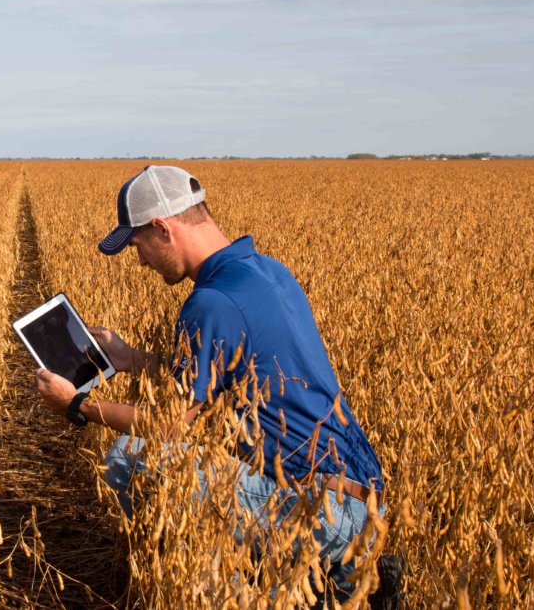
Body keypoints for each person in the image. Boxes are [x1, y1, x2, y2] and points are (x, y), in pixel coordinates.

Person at [35, 165, 389, 601]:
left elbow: (168, 425)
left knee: (129, 458)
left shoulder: (210, 302)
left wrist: (77, 404)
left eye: (138, 245)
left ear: (163, 228)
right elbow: (230, 374)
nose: (140, 261)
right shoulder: (266, 272)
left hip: (321, 512)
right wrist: (132, 359)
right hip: (365, 503)